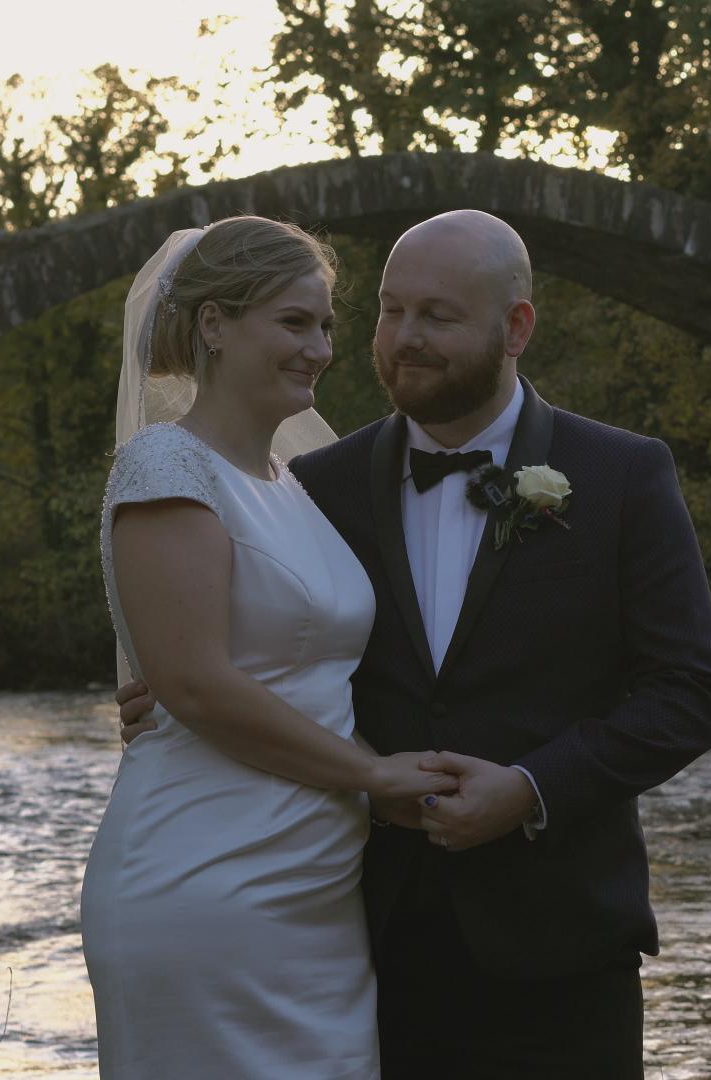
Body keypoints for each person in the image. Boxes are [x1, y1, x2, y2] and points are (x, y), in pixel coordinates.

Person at [117, 209, 711, 1078]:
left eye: (437, 316)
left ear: (515, 326)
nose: (403, 339)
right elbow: (246, 652)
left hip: (559, 942)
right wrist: (170, 698)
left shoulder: (623, 476)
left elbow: (689, 693)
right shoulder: (312, 487)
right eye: (388, 311)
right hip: (356, 936)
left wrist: (531, 788)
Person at [83, 215, 463, 1078]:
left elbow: (310, 685)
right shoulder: (164, 470)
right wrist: (370, 775)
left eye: (327, 325)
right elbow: (197, 686)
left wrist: (386, 789)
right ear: (213, 324)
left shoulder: (293, 485)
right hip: (204, 879)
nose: (322, 348)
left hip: (316, 894)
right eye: (294, 322)